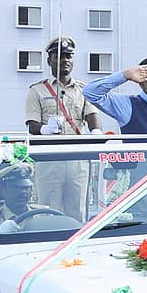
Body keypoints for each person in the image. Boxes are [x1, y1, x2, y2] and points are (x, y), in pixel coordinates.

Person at [26, 36, 101, 222]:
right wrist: (45, 130)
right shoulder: (37, 90)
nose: (65, 60)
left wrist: (96, 133)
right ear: (49, 60)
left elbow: (93, 116)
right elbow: (31, 124)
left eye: (69, 56)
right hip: (50, 159)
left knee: (77, 212)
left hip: (77, 160)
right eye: (59, 56)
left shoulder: (84, 90)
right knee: (48, 211)